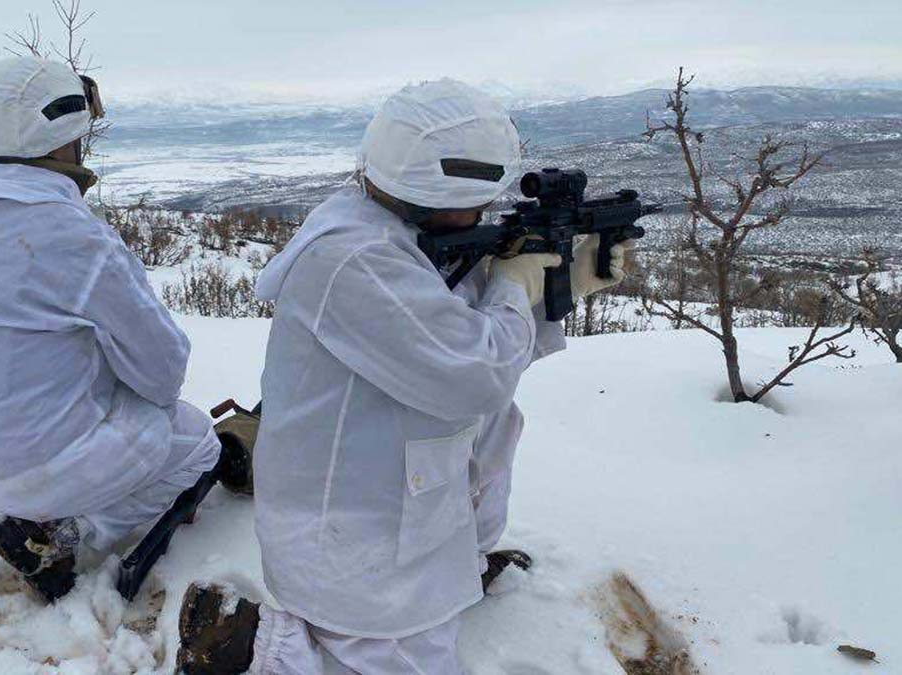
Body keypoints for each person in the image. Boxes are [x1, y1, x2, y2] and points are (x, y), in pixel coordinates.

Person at [175, 79, 634, 673]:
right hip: (357, 544)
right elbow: (475, 373)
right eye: (479, 202)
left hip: (408, 502)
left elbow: (467, 335)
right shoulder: (355, 259)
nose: (486, 214)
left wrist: (558, 286)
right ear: (433, 196)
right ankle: (256, 649)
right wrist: (515, 286)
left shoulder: (406, 238)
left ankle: (455, 575)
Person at [0, 56, 226, 603]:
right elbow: (163, 372)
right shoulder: (73, 237)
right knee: (196, 442)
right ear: (64, 139)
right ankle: (64, 535)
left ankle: (53, 510)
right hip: (31, 467)